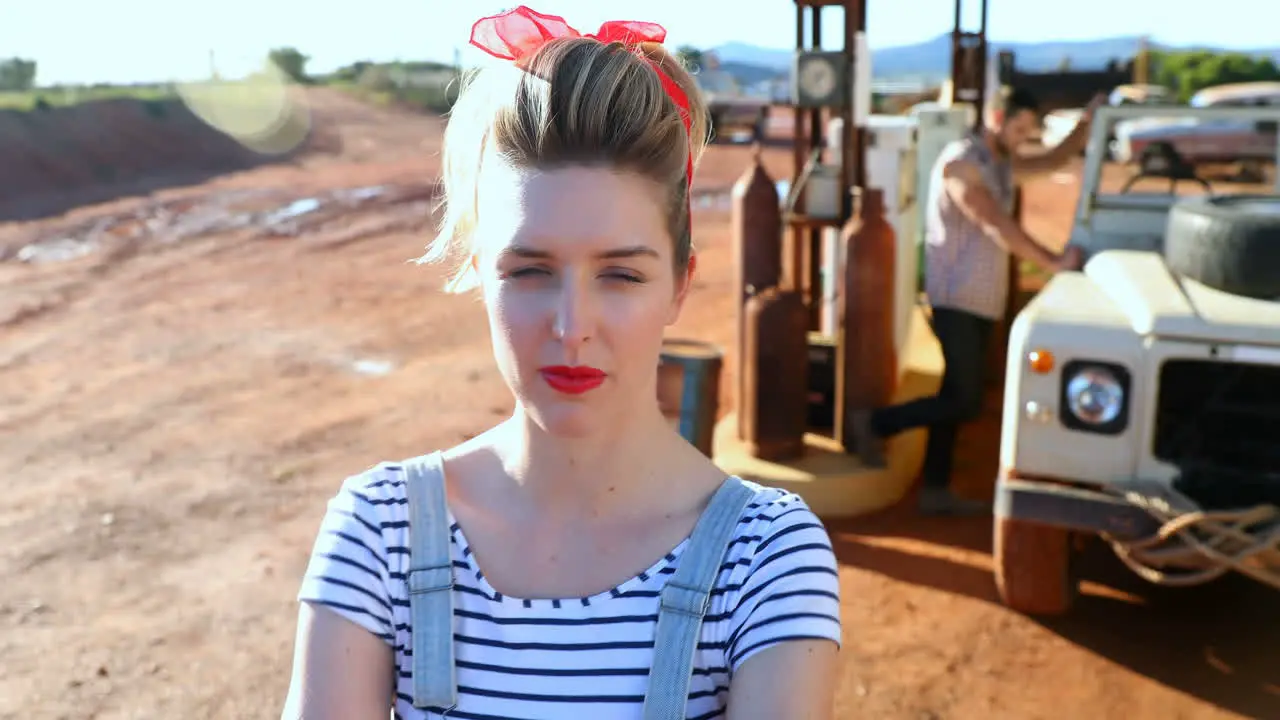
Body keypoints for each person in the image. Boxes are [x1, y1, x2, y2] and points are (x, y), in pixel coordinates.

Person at [280, 7, 842, 719]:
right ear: (482, 273)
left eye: (622, 275)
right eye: (531, 271)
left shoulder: (764, 556)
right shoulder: (381, 530)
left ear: (680, 283)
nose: (572, 327)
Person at [862, 87, 1099, 517]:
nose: (1024, 137)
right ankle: (877, 424)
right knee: (964, 399)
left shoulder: (999, 162)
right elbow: (994, 223)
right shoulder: (962, 163)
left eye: (1030, 130)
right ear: (995, 116)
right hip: (957, 298)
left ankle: (935, 489)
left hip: (980, 300)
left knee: (956, 394)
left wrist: (1086, 125)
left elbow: (1051, 161)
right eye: (1020, 127)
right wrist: (1052, 262)